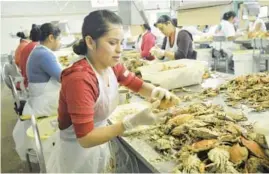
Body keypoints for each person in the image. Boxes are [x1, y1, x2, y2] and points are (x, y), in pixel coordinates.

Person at [46, 10, 178, 173]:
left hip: (100, 141)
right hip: (77, 155)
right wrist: (131, 123)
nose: (119, 49)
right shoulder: (79, 79)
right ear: (90, 42)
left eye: (121, 42)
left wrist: (155, 91)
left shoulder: (110, 64)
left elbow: (134, 83)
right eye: (112, 43)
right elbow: (86, 138)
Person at [12, 23, 62, 163]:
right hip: (45, 104)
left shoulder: (39, 51)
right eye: (59, 39)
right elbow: (63, 77)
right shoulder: (44, 54)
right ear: (51, 38)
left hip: (39, 100)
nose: (60, 42)